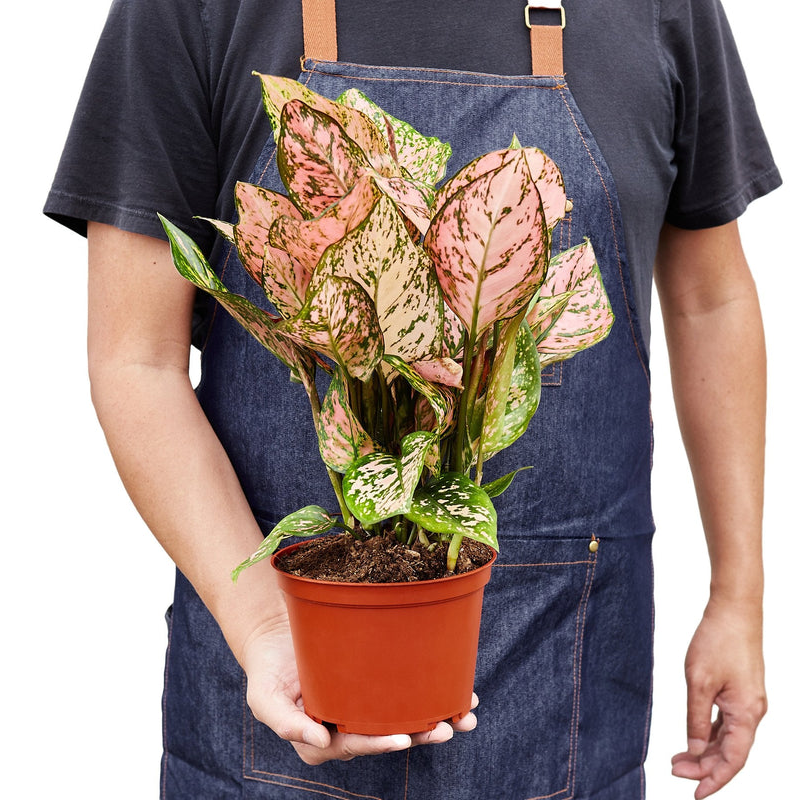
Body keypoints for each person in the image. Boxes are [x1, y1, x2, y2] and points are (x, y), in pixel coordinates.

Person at [45, 1, 780, 797]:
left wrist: (738, 598)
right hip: (274, 704)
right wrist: (261, 627)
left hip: (562, 681)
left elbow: (713, 303)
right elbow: (134, 360)